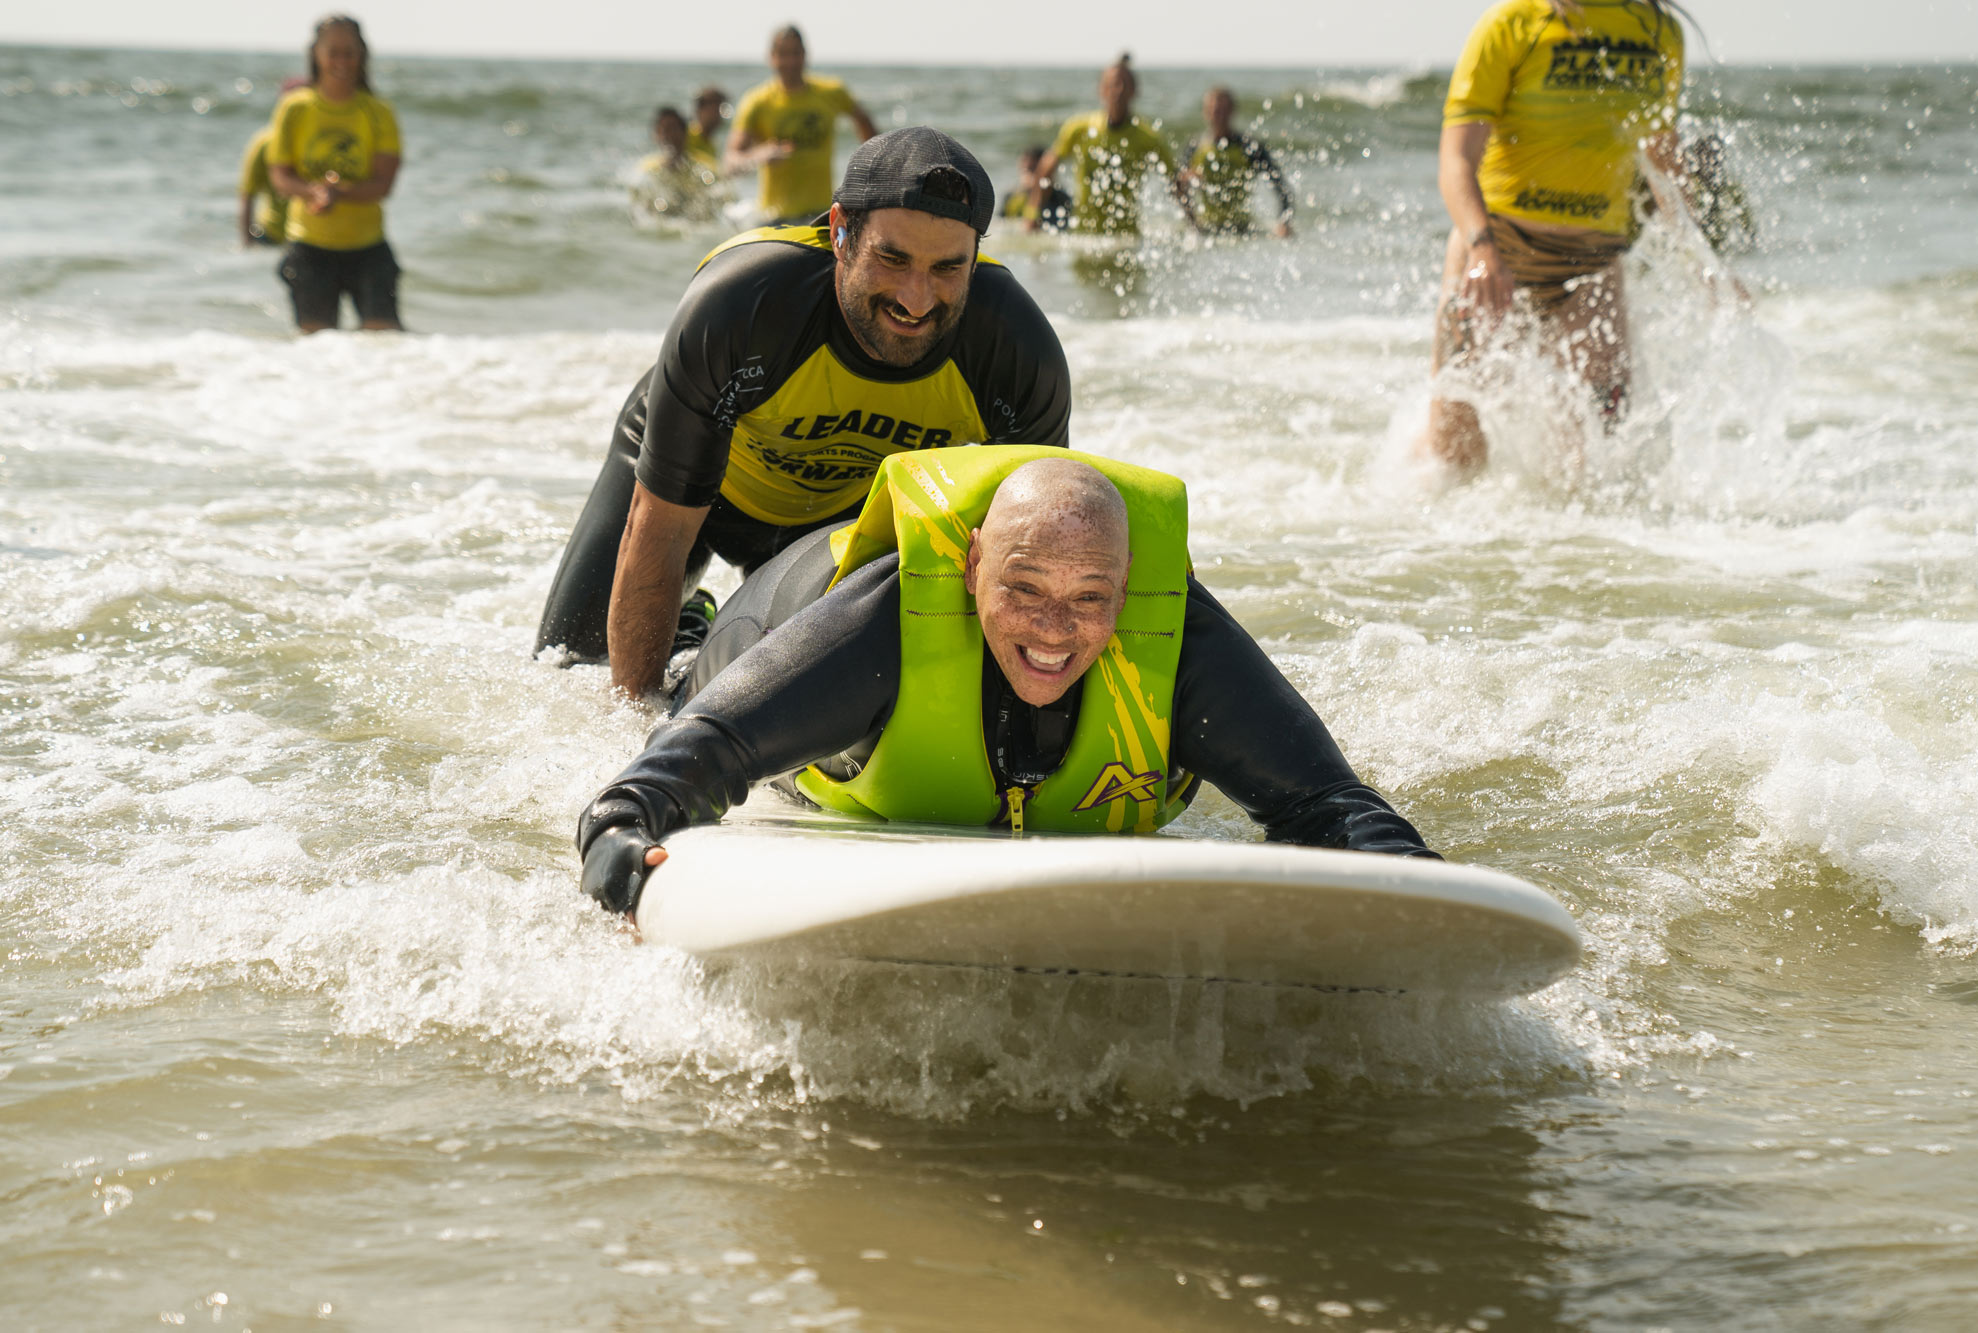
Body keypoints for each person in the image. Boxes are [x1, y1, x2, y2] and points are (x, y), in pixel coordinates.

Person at [574, 448, 1440, 915]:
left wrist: (1423, 890)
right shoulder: (882, 632)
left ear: (1127, 586)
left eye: (1089, 598)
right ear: (974, 561)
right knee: (686, 682)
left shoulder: (1180, 643)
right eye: (1023, 588)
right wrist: (621, 828)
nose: (1056, 629)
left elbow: (1326, 800)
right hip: (774, 620)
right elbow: (703, 750)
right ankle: (694, 627)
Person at [534, 127, 1072, 703]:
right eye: (893, 258)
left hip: (837, 519)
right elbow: (661, 528)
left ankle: (698, 636)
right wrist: (635, 725)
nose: (917, 299)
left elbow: (1039, 551)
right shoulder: (745, 302)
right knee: (573, 674)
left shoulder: (1014, 348)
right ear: (841, 232)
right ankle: (689, 626)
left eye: (947, 268)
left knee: (796, 689)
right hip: (704, 489)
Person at [1421, 0, 1714, 469]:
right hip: (1497, 255)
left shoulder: (1658, 31)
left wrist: (1703, 264)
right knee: (1450, 461)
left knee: (1600, 463)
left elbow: (1663, 157)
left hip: (1591, 267)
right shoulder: (1512, 24)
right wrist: (1481, 250)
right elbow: (1456, 160)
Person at [266, 14, 402, 333]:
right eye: (333, 51)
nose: (341, 60)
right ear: (316, 54)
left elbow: (384, 184)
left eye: (349, 52)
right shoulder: (294, 107)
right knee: (317, 347)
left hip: (368, 246)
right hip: (309, 245)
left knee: (386, 341)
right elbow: (280, 177)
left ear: (362, 54)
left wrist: (341, 193)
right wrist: (313, 192)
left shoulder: (378, 112)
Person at [725, 26, 878, 225]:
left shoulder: (832, 92)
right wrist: (758, 155)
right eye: (783, 54)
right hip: (774, 218)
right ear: (771, 57)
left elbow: (865, 123)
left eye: (795, 53)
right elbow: (730, 162)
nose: (790, 62)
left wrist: (872, 171)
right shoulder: (757, 102)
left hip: (822, 212)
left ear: (805, 55)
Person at [1034, 55, 1188, 237]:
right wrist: (1032, 216)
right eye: (1112, 84)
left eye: (1124, 84)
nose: (1118, 90)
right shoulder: (1079, 128)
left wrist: (1194, 225)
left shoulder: (1149, 137)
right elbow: (1046, 169)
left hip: (1126, 239)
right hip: (1084, 237)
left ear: (1135, 91)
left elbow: (1175, 182)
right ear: (1101, 90)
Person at [1181, 86, 1294, 239]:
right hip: (1207, 229)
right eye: (1215, 110)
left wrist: (1284, 223)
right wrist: (1193, 223)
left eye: (1224, 110)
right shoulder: (1195, 147)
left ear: (1233, 112)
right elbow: (1177, 187)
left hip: (1242, 229)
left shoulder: (1250, 147)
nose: (1219, 116)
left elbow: (1281, 187)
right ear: (1206, 112)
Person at [236, 79, 307, 248]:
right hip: (271, 237)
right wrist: (246, 243)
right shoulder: (265, 143)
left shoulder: (318, 144)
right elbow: (247, 194)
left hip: (308, 237)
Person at [633, 105, 723, 223]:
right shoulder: (646, 170)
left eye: (673, 129)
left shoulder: (705, 168)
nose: (669, 135)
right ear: (655, 135)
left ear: (685, 133)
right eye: (663, 130)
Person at [1000, 146, 1071, 232]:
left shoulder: (1062, 199)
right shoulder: (1011, 197)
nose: (1027, 176)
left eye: (1033, 169)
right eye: (1025, 170)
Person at [687, 86, 729, 163]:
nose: (721, 113)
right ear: (700, 109)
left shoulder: (712, 145)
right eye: (717, 107)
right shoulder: (686, 137)